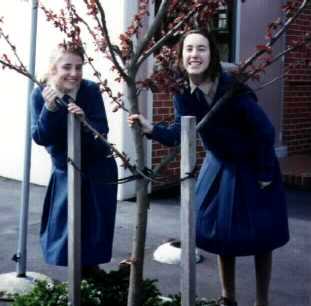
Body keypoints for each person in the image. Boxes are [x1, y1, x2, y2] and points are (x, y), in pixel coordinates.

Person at [128, 29, 289, 306]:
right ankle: (228, 297)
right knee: (223, 233)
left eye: (201, 48)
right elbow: (183, 131)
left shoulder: (232, 88)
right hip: (220, 166)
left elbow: (264, 131)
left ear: (212, 54)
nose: (195, 55)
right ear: (181, 56)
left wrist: (264, 174)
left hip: (253, 165)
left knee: (262, 235)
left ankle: (262, 301)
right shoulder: (183, 92)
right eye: (189, 49)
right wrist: (151, 129)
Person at [31, 43, 118, 276]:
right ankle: (77, 283)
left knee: (94, 228)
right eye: (66, 67)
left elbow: (102, 132)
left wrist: (85, 122)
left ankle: (91, 277)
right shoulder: (41, 94)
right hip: (66, 170)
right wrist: (49, 109)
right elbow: (40, 137)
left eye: (79, 67)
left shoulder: (89, 90)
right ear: (53, 70)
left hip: (97, 169)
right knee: (67, 229)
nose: (74, 73)